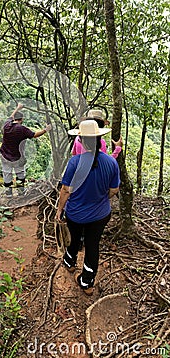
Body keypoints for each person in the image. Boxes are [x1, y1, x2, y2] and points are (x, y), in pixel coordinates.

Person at [56, 120, 120, 296]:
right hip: (100, 215)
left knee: (75, 238)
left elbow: (65, 190)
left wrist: (60, 210)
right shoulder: (111, 162)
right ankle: (87, 282)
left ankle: (69, 263)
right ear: (100, 139)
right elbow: (114, 189)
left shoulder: (75, 162)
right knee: (93, 245)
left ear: (81, 141)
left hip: (76, 214)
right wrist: (100, 198)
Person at [0, 103, 52, 196]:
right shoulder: (22, 129)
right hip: (17, 157)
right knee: (20, 173)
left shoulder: (7, 125)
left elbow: (11, 116)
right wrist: (46, 129)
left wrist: (18, 108)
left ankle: (8, 194)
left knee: (7, 173)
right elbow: (34, 135)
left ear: (14, 119)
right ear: (21, 119)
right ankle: (21, 193)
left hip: (4, 155)